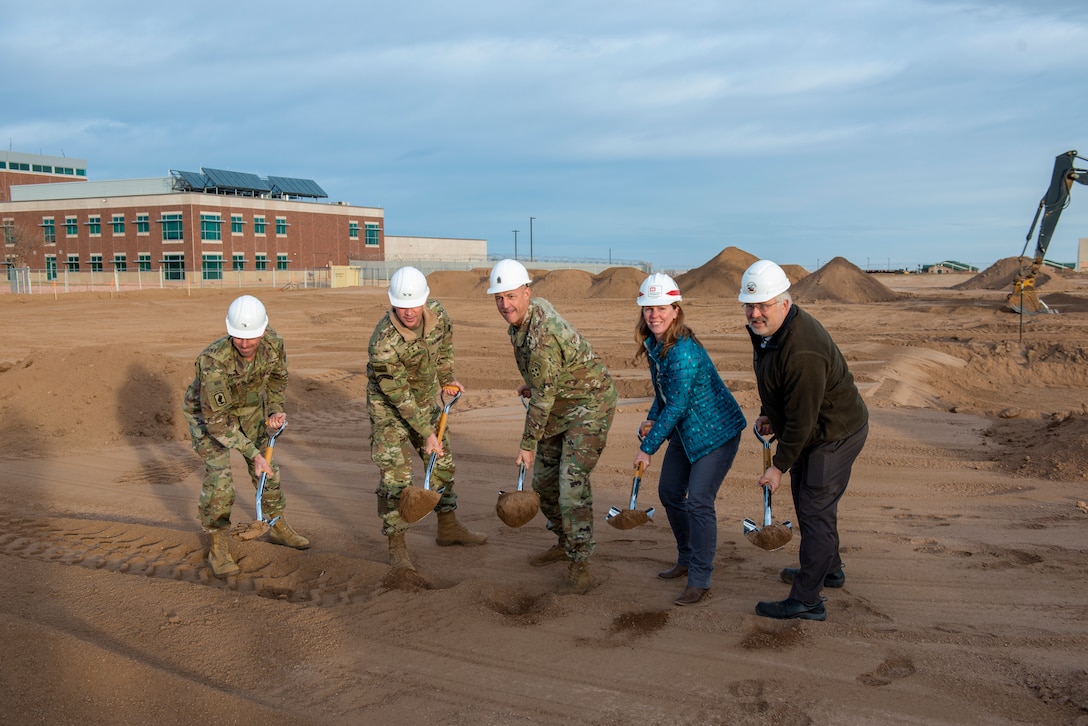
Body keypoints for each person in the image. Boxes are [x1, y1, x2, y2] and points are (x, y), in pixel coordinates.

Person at [739, 260, 869, 621]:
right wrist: (769, 411)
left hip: (835, 434)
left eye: (763, 305)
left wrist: (779, 466)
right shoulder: (769, 332)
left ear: (784, 302)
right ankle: (828, 570)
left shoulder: (803, 349)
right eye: (750, 305)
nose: (755, 313)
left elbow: (804, 419)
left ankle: (808, 599)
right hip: (815, 429)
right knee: (813, 506)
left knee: (814, 509)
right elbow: (776, 383)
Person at [488, 258, 616, 595]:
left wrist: (527, 445)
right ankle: (563, 542)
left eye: (511, 296)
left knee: (571, 484)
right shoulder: (525, 320)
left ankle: (580, 562)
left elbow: (543, 396)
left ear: (527, 293)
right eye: (499, 298)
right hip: (560, 402)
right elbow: (545, 381)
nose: (505, 305)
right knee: (544, 485)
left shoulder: (542, 335)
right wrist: (535, 381)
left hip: (590, 403)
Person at [633, 273, 747, 606]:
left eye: (661, 308)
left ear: (676, 310)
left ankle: (700, 576)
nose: (654, 315)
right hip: (687, 430)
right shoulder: (655, 345)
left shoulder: (681, 350)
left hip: (717, 433)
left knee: (698, 500)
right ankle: (685, 557)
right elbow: (665, 394)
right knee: (670, 491)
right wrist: (653, 417)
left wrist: (647, 447)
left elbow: (679, 403)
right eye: (648, 308)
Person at [367, 266, 486, 571]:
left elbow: (444, 347)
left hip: (423, 400)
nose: (409, 312)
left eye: (415, 304)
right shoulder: (383, 342)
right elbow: (397, 394)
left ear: (425, 299)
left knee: (443, 464)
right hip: (389, 409)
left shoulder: (438, 315)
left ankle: (448, 527)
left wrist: (447, 378)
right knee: (396, 478)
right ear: (392, 302)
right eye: (402, 306)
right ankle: (397, 545)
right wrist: (425, 431)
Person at [184, 294, 310, 579]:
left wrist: (276, 409)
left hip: (250, 408)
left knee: (268, 469)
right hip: (208, 417)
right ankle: (217, 543)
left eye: (251, 337)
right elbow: (217, 422)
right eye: (238, 337)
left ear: (263, 330)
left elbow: (278, 378)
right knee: (220, 480)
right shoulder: (213, 361)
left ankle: (276, 524)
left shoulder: (274, 343)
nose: (244, 343)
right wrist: (251, 452)